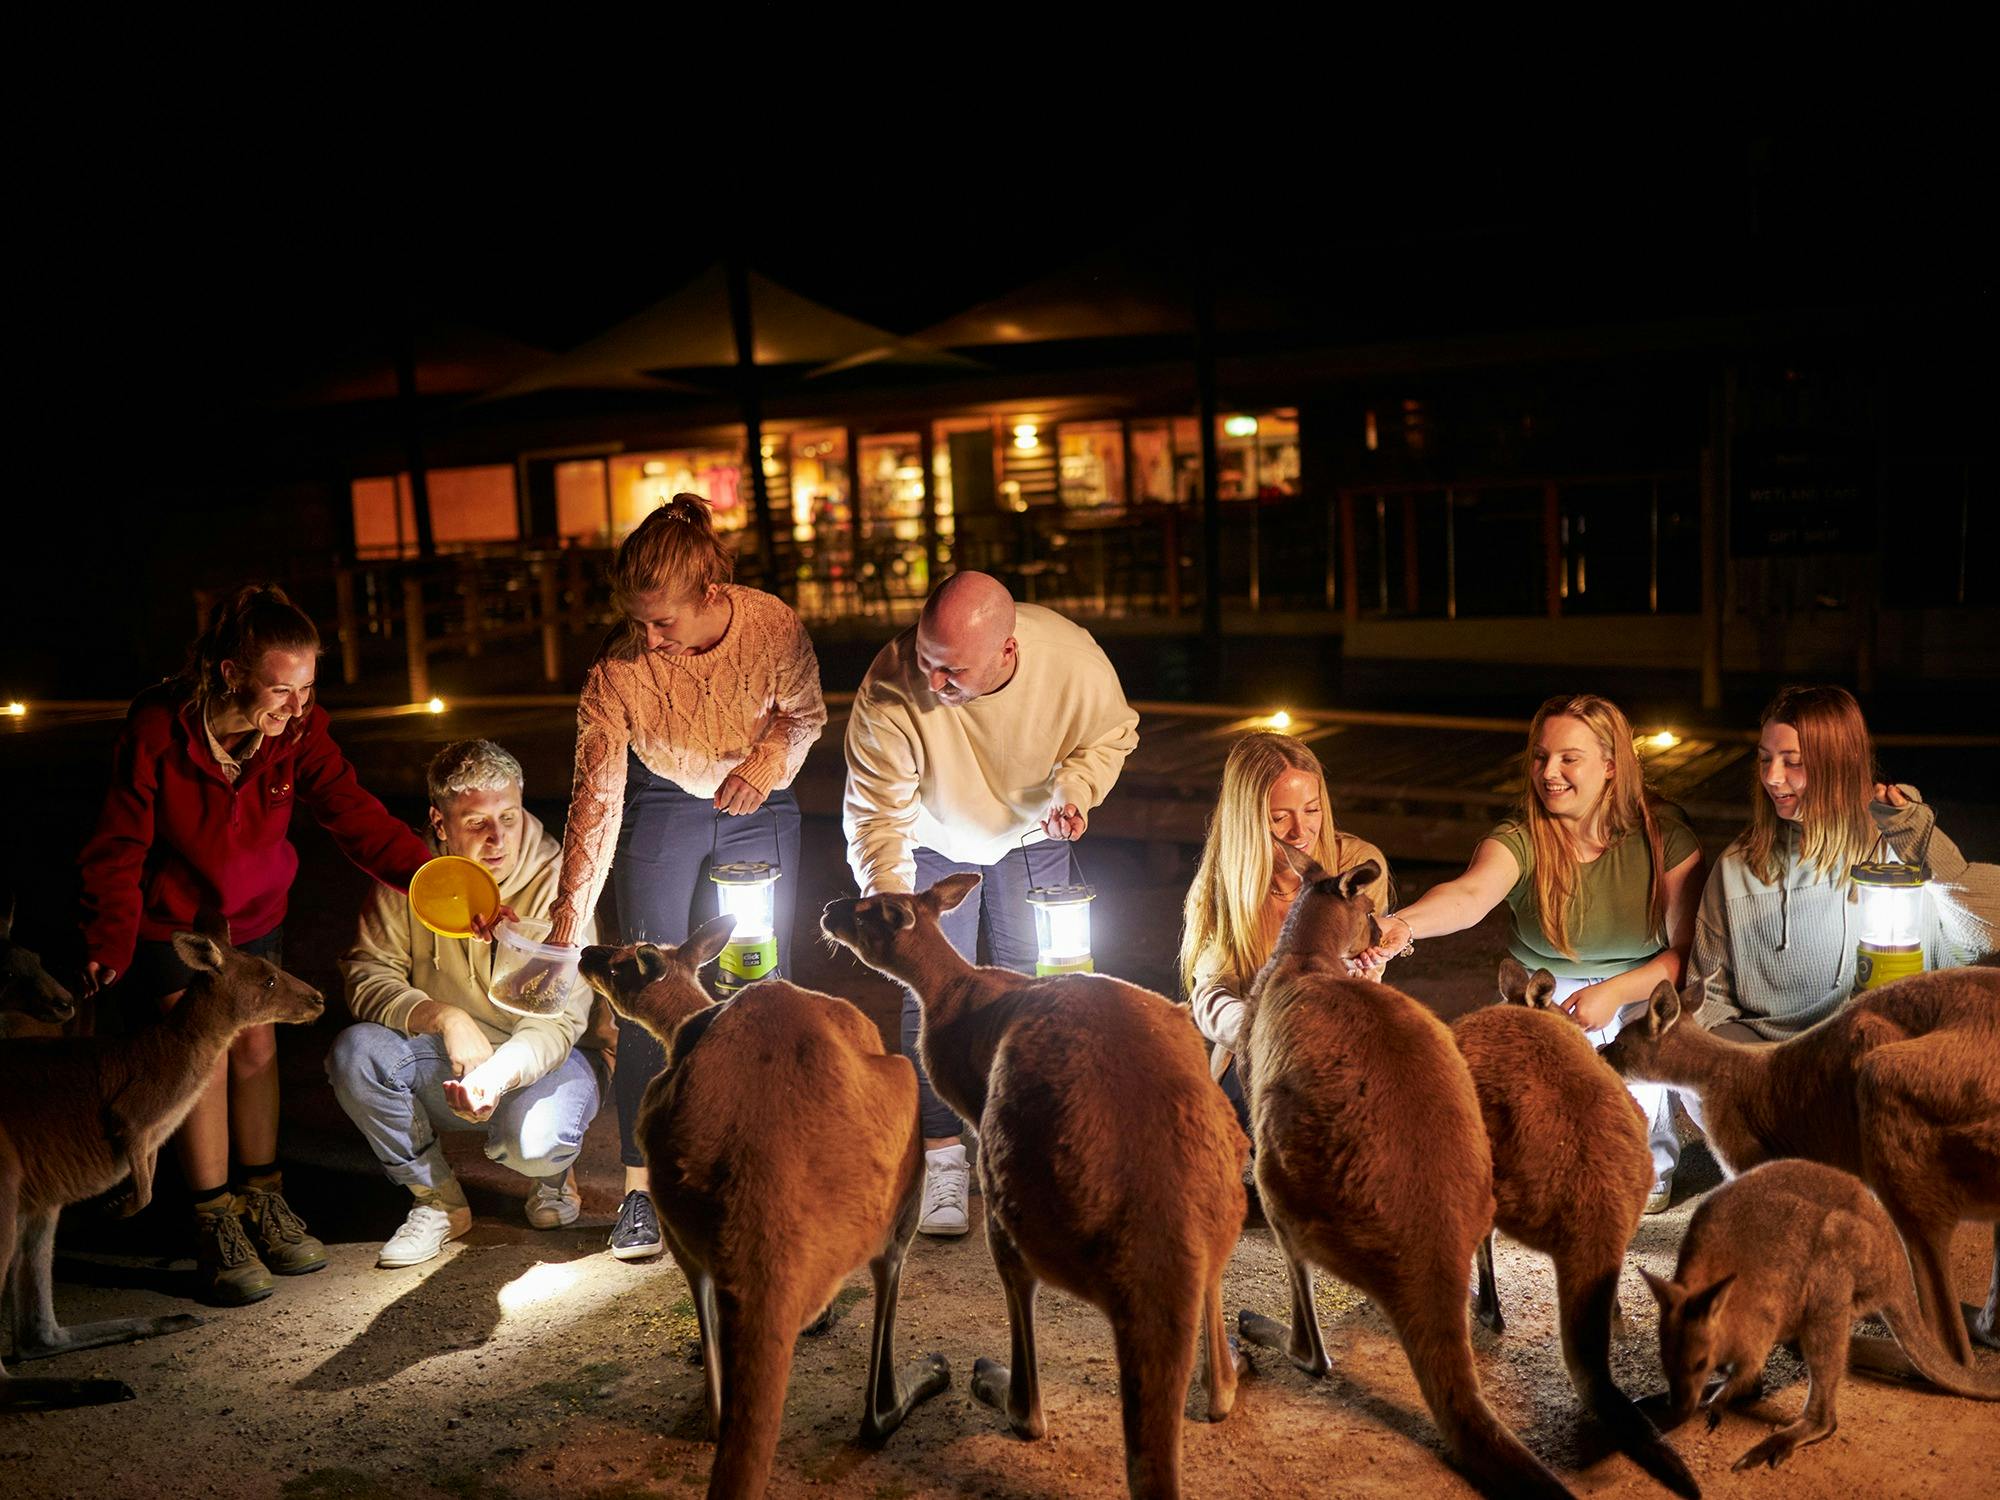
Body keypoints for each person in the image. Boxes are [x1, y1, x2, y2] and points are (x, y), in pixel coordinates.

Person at [78, 584, 434, 1303]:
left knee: (258, 1046)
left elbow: (352, 813)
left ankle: (264, 1198)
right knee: (203, 1052)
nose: (295, 706)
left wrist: (429, 879)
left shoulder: (300, 733)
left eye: (306, 687)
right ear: (232, 673)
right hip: (174, 923)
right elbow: (119, 842)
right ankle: (214, 1218)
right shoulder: (159, 728)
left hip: (255, 912)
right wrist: (109, 938)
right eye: (281, 688)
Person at [546, 494, 825, 1261]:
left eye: (663, 622)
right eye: (638, 622)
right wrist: (568, 925)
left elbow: (803, 714)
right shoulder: (617, 670)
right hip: (664, 801)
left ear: (710, 595)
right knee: (646, 986)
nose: (651, 638)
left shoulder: (771, 625)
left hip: (758, 797)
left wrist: (768, 762)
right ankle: (641, 1191)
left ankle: (766, 1165)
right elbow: (595, 800)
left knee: (760, 982)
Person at [844, 569, 1140, 1237]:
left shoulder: (1072, 661)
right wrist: (892, 899)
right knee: (933, 991)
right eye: (927, 662)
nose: (936, 683)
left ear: (1007, 652)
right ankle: (943, 1155)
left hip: (1036, 824)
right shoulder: (892, 682)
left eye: (953, 670)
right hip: (932, 831)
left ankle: (1042, 1143)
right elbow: (874, 811)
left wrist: (1076, 790)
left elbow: (1113, 734)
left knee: (1044, 990)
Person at [1355, 693, 1705, 1211]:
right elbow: (1469, 895)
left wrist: (1610, 993)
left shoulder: (1665, 838)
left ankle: (1653, 1155)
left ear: (1611, 766)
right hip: (1548, 989)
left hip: (1639, 987)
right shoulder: (1520, 836)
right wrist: (1400, 926)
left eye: (1569, 758)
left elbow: (1684, 952)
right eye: (1541, 757)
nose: (1550, 772)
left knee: (1637, 1106)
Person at [329, 740, 612, 1268]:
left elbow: (562, 1021)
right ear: (440, 822)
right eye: (476, 821)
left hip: (540, 1060)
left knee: (534, 1143)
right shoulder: (410, 877)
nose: (497, 837)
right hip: (446, 1059)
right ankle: (437, 1201)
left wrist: (500, 1073)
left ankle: (552, 1175)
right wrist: (444, 1016)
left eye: (508, 816)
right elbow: (366, 973)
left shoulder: (559, 884)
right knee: (356, 1054)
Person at [1690, 684, 2000, 1041]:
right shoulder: (1738, 868)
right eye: (1765, 758)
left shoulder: (1893, 854)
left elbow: (1984, 935)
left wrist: (1921, 841)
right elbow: (1708, 998)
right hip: (1770, 1066)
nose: (1772, 777)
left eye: (1793, 761)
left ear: (1839, 766)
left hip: (1876, 1054)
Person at [1180, 732, 1390, 1131]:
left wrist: (1370, 967)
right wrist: (1273, 1029)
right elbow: (1209, 995)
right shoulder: (1221, 890)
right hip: (1260, 1053)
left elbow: (1366, 961)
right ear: (1247, 819)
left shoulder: (1355, 863)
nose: (1300, 830)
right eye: (1279, 818)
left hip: (1342, 1040)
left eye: (1312, 810)